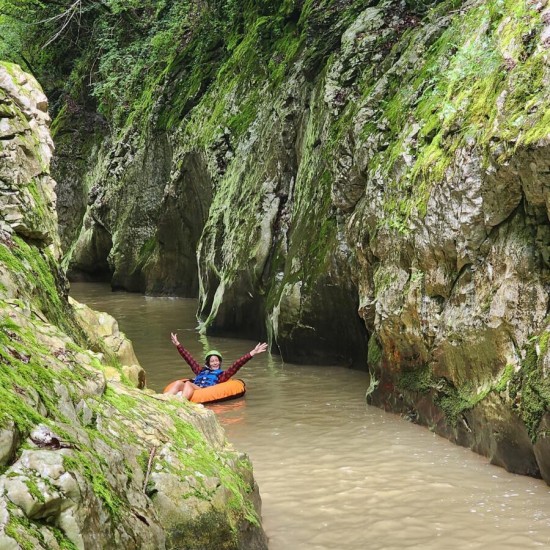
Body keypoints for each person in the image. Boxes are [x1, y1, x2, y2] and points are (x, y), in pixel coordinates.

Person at [165, 332, 268, 400]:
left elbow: (237, 365)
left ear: (219, 362)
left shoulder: (222, 375)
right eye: (212, 361)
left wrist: (252, 353)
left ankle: (182, 402)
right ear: (208, 363)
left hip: (204, 390)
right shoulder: (200, 370)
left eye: (217, 361)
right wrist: (178, 345)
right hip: (195, 387)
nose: (215, 363)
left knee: (188, 383)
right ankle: (165, 398)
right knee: (179, 383)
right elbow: (189, 359)